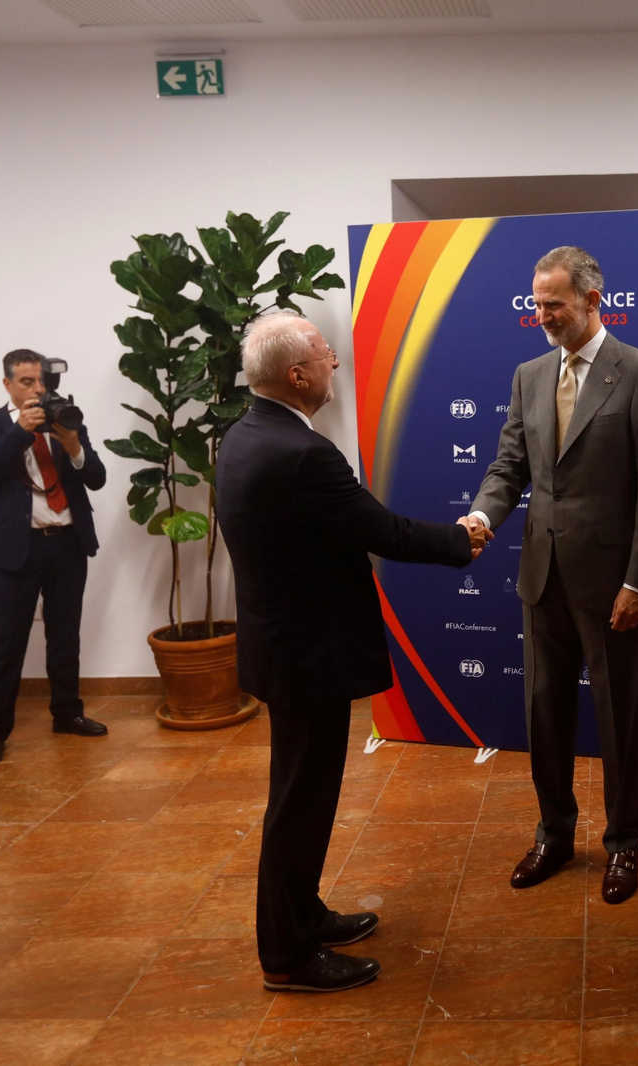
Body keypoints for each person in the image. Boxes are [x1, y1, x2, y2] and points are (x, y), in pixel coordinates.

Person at [216, 311, 487, 995]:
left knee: (302, 797)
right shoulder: (303, 453)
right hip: (308, 656)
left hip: (286, 650)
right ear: (298, 375)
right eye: (327, 355)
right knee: (299, 806)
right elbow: (382, 530)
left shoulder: (246, 435)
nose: (336, 363)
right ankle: (287, 957)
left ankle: (304, 915)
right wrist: (459, 539)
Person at [465, 246, 638, 904]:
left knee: (619, 719)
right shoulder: (528, 376)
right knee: (544, 714)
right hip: (541, 577)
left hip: (614, 582)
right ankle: (554, 834)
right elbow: (509, 466)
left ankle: (624, 844)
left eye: (553, 303)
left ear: (592, 300)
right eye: (537, 303)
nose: (543, 315)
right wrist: (481, 516)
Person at [0, 349, 108, 767]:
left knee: (65, 637)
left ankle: (67, 714)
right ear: (7, 384)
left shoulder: (63, 418)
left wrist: (75, 446)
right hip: (15, 549)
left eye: (41, 381)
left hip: (66, 542)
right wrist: (20, 432)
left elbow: (96, 478)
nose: (37, 389)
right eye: (27, 382)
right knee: (4, 644)